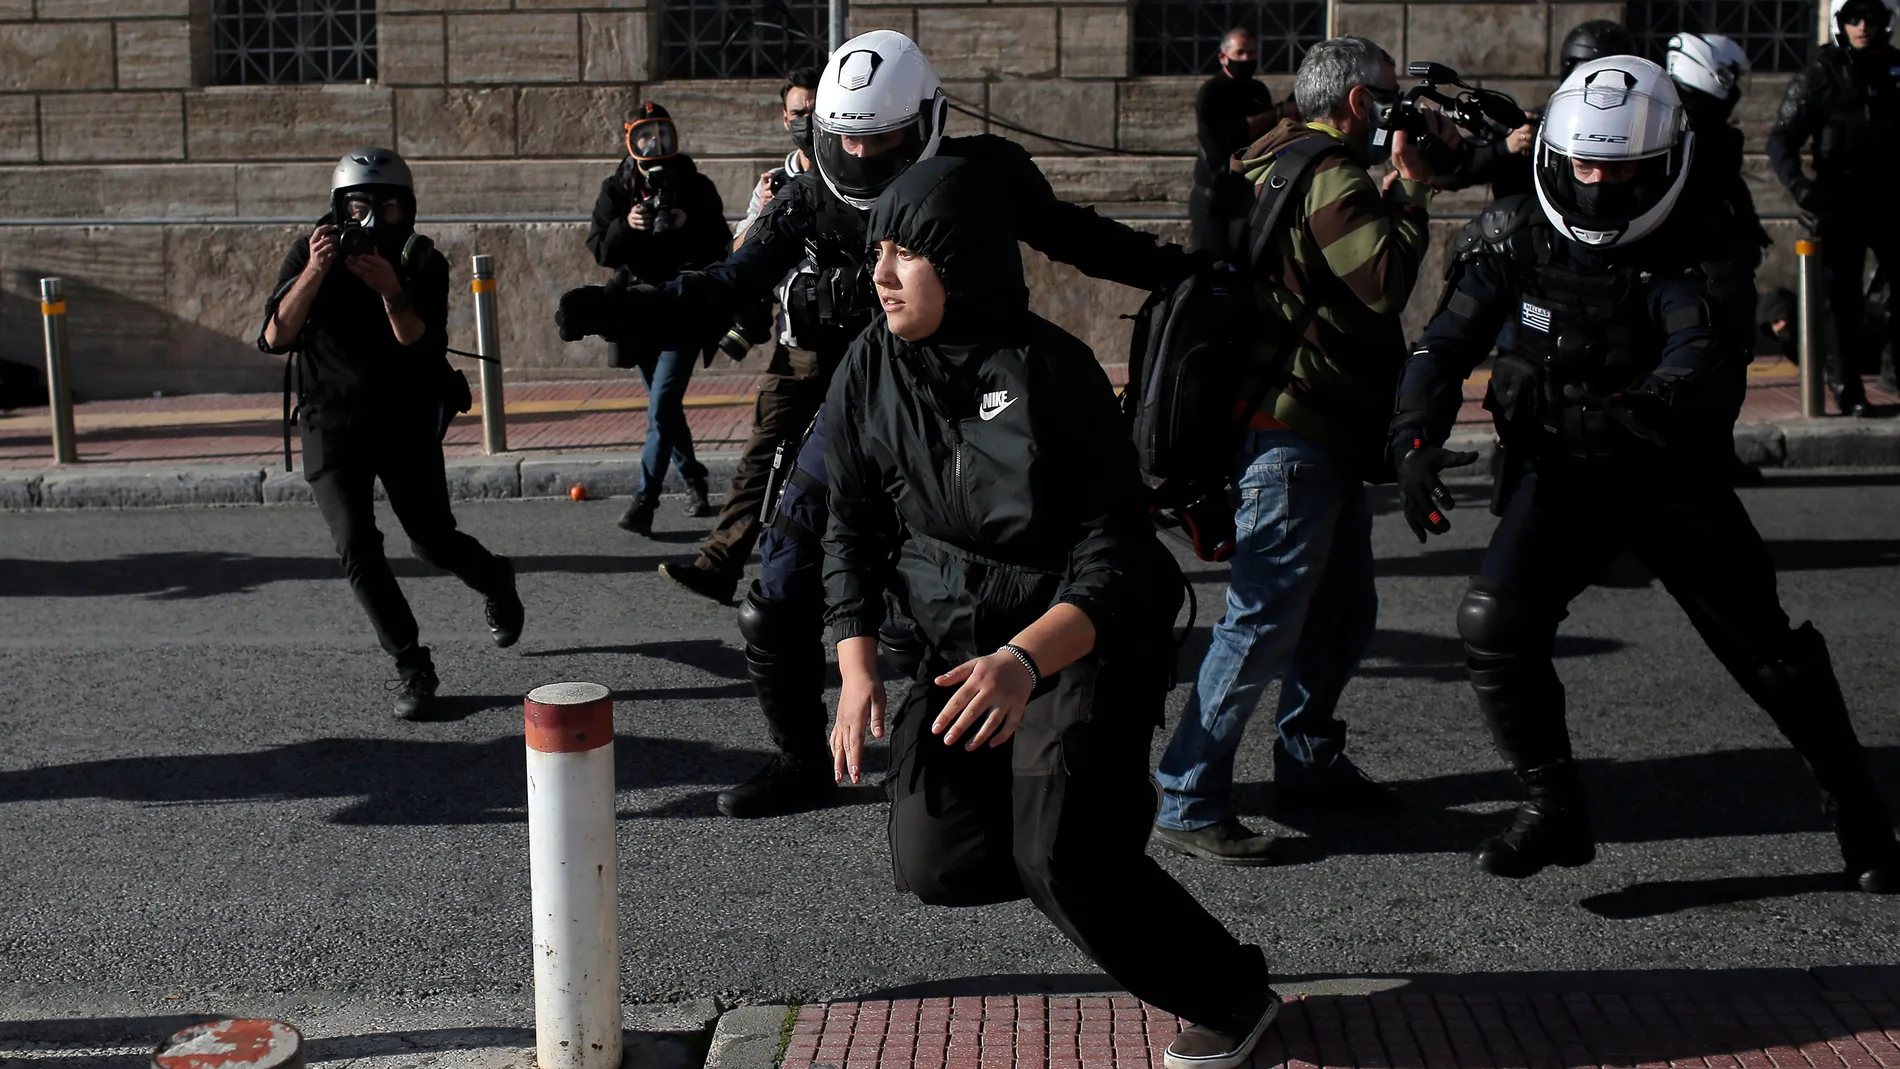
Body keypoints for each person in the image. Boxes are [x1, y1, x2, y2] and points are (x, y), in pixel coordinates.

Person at [556, 30, 1199, 821]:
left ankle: (1042, 725)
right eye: (846, 137)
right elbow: (730, 280)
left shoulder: (984, 173)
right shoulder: (807, 195)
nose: (860, 155)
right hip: (864, 396)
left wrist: (1183, 270)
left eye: (882, 138)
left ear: (927, 122)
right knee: (781, 584)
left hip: (985, 396)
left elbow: (1077, 236)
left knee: (1032, 568)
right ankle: (804, 758)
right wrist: (623, 306)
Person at [1392, 56, 1899, 895]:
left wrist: (1639, 405)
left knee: (1771, 655)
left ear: (1661, 166)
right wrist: (1412, 439)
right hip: (1559, 475)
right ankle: (1553, 805)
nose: (1595, 187)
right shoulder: (1514, 232)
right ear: (1557, 155)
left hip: (1669, 476)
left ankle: (1861, 814)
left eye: (1619, 172)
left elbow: (1697, 356)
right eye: (1584, 166)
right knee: (1492, 621)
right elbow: (1445, 342)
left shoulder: (1703, 237)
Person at [826, 154, 1279, 1069]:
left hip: (1077, 642)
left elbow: (1113, 557)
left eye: (905, 255)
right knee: (937, 863)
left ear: (961, 264)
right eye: (878, 251)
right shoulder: (872, 361)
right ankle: (1077, 825)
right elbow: (849, 520)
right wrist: (856, 662)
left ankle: (1231, 992)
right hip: (961, 648)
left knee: (1060, 854)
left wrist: (1027, 663)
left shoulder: (1052, 373)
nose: (879, 275)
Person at [1150, 36, 1457, 865]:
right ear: (1359, 102)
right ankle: (1186, 794)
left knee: (1343, 609)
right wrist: (1417, 192)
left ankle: (1310, 760)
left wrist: (1396, 182)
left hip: (1315, 429)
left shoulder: (1275, 158)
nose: (1395, 110)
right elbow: (1383, 279)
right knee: (1259, 622)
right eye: (1387, 97)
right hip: (1295, 430)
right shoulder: (1329, 171)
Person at [259, 148, 524, 721]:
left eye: (388, 207)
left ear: (409, 210)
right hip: (329, 420)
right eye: (358, 207)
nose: (372, 220)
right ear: (337, 210)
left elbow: (418, 341)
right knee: (356, 545)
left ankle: (495, 578)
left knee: (431, 540)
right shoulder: (311, 252)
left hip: (402, 416)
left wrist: (391, 290)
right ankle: (412, 666)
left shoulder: (421, 260)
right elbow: (276, 337)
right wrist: (314, 270)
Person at [661, 67, 825, 605]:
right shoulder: (774, 184)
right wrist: (764, 214)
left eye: (815, 109)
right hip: (796, 348)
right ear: (784, 118)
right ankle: (718, 565)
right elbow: (739, 259)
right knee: (762, 454)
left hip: (855, 345)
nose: (807, 120)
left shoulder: (850, 173)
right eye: (798, 111)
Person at [586, 101, 732, 534]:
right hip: (634, 313)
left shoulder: (696, 185)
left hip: (682, 310)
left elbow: (722, 243)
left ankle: (644, 501)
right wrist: (625, 226)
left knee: (662, 404)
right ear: (630, 140)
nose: (655, 143)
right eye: (644, 135)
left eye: (662, 133)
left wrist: (687, 221)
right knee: (661, 409)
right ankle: (694, 481)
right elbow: (599, 249)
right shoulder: (616, 188)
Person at [1767, 0, 1900, 416]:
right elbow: (1782, 138)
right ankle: (1846, 385)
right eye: (1855, 18)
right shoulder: (1821, 74)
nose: (1864, 26)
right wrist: (1800, 186)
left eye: (1873, 19)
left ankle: (1892, 372)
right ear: (1840, 22)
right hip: (1840, 202)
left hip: (1890, 200)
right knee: (1841, 300)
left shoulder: (1897, 70)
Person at [1665, 32, 1774, 487]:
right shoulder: (1681, 126)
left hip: (1717, 270)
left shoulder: (1707, 128)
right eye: (1729, 78)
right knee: (1703, 370)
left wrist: (1749, 230)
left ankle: (1714, 455)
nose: (1734, 89)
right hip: (1697, 274)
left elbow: (1731, 191)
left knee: (1724, 370)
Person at [1439, 20, 1634, 204]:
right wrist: (1505, 147)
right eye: (1585, 74)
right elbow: (1447, 173)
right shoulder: (1532, 124)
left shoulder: (1640, 131)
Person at [1189, 28, 1294, 254]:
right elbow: (1224, 136)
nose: (1247, 59)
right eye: (1240, 53)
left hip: (1249, 193)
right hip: (1216, 195)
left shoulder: (1257, 89)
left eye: (1252, 53)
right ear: (1223, 57)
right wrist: (1276, 113)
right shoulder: (1212, 92)